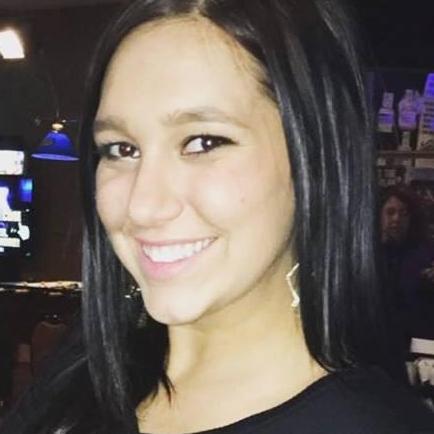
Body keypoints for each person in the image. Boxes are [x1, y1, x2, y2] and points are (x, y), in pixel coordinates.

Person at [2, 0, 434, 433]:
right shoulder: (84, 368)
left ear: (315, 160)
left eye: (203, 142)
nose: (142, 207)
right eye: (121, 149)